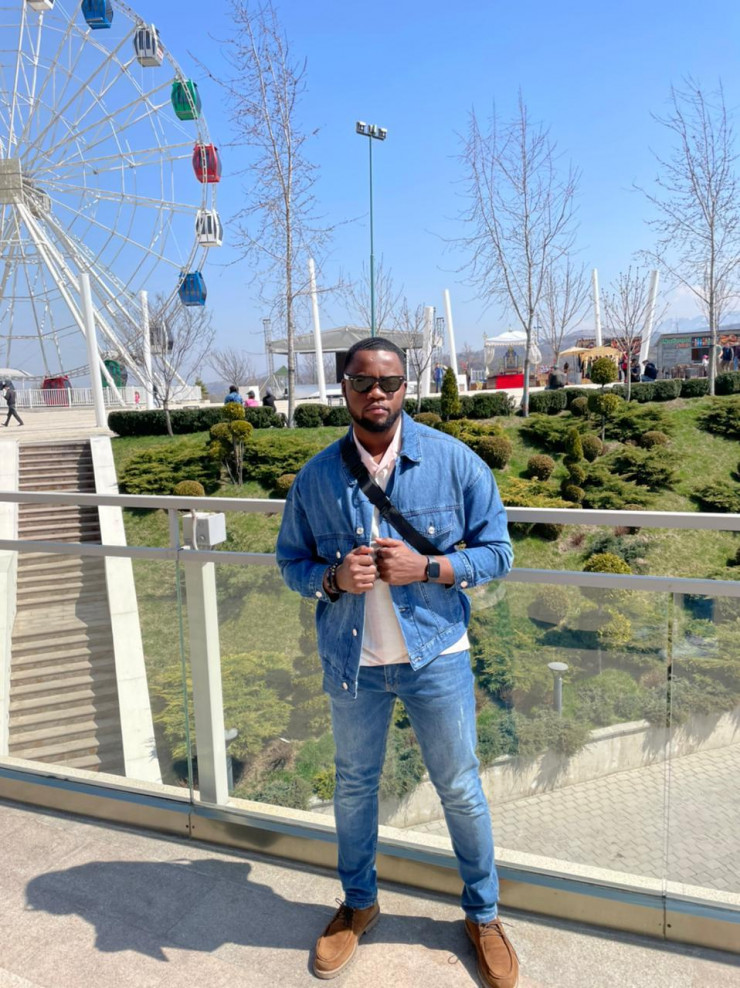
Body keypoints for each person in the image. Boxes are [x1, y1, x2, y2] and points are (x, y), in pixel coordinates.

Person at [276, 337, 517, 987]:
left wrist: (428, 567)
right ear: (344, 389)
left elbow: (498, 552)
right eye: (362, 382)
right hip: (354, 662)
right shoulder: (317, 477)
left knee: (459, 787)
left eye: (389, 381)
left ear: (407, 386)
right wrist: (331, 579)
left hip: (437, 653)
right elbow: (290, 562)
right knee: (355, 786)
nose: (376, 393)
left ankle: (484, 915)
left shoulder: (453, 461)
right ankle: (359, 904)